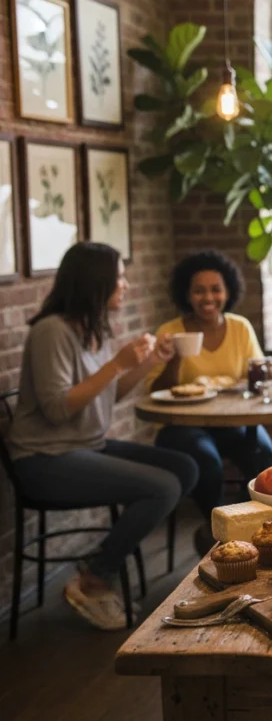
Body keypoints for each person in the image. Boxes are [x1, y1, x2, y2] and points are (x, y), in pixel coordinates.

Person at [8, 243, 198, 631]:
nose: (125, 285)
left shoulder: (91, 327)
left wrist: (146, 363)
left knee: (185, 467)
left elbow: (110, 392)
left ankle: (101, 564)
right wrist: (117, 363)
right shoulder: (51, 332)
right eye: (119, 278)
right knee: (162, 487)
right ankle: (96, 577)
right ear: (95, 282)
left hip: (84, 447)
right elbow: (58, 408)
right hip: (44, 460)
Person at [147, 250, 272, 553]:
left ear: (228, 291)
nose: (209, 297)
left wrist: (265, 373)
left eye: (216, 289)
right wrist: (175, 357)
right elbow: (155, 390)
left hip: (233, 421)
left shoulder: (240, 327)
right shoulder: (170, 331)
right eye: (199, 290)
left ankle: (263, 529)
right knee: (207, 461)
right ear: (186, 294)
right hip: (182, 426)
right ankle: (218, 535)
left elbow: (259, 376)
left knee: (265, 457)